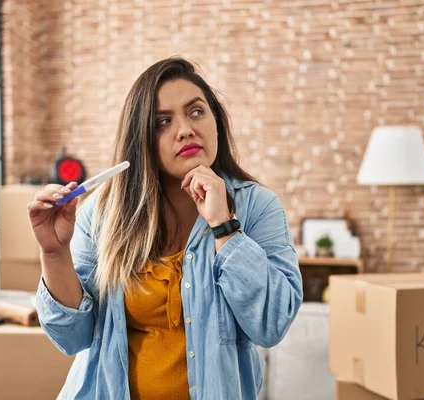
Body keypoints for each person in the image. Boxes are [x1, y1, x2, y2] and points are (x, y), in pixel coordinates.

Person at [29, 57, 302, 400]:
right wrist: (54, 253)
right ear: (141, 138)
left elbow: (272, 324)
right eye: (162, 121)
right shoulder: (102, 213)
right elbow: (72, 339)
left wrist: (224, 226)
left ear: (216, 121)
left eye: (197, 111)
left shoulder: (257, 207)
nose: (185, 129)